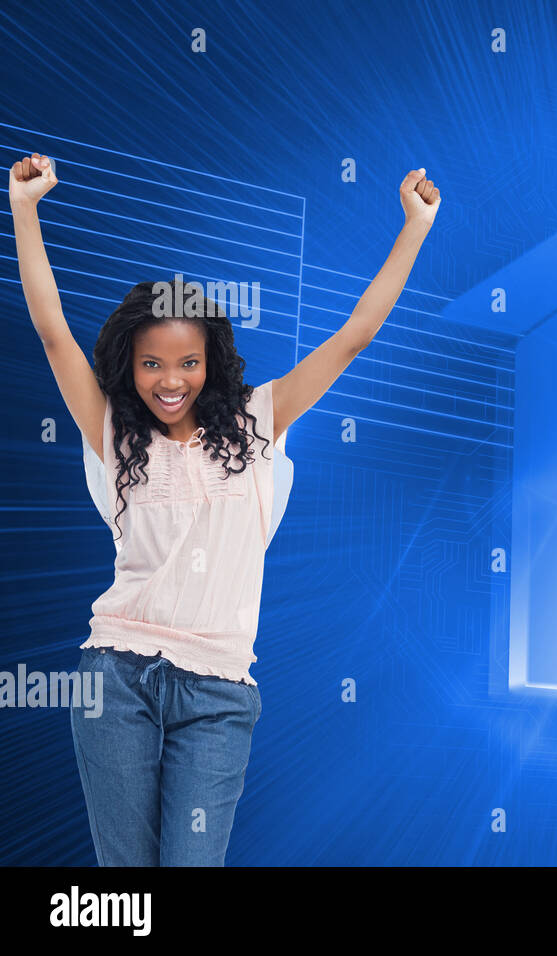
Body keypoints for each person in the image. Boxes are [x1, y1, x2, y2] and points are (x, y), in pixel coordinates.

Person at [9, 151, 441, 865]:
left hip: (218, 693)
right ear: (129, 366)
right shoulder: (113, 431)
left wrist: (415, 228)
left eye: (187, 362)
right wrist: (25, 212)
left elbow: (354, 334)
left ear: (211, 364)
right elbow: (53, 332)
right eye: (151, 364)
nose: (169, 380)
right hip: (114, 678)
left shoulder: (258, 421)